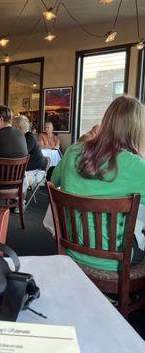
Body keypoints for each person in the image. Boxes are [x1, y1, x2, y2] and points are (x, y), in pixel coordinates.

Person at [51, 95, 145, 271]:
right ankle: (119, 296)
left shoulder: (72, 151)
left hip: (71, 248)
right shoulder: (135, 165)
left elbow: (54, 180)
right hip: (111, 262)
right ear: (138, 130)